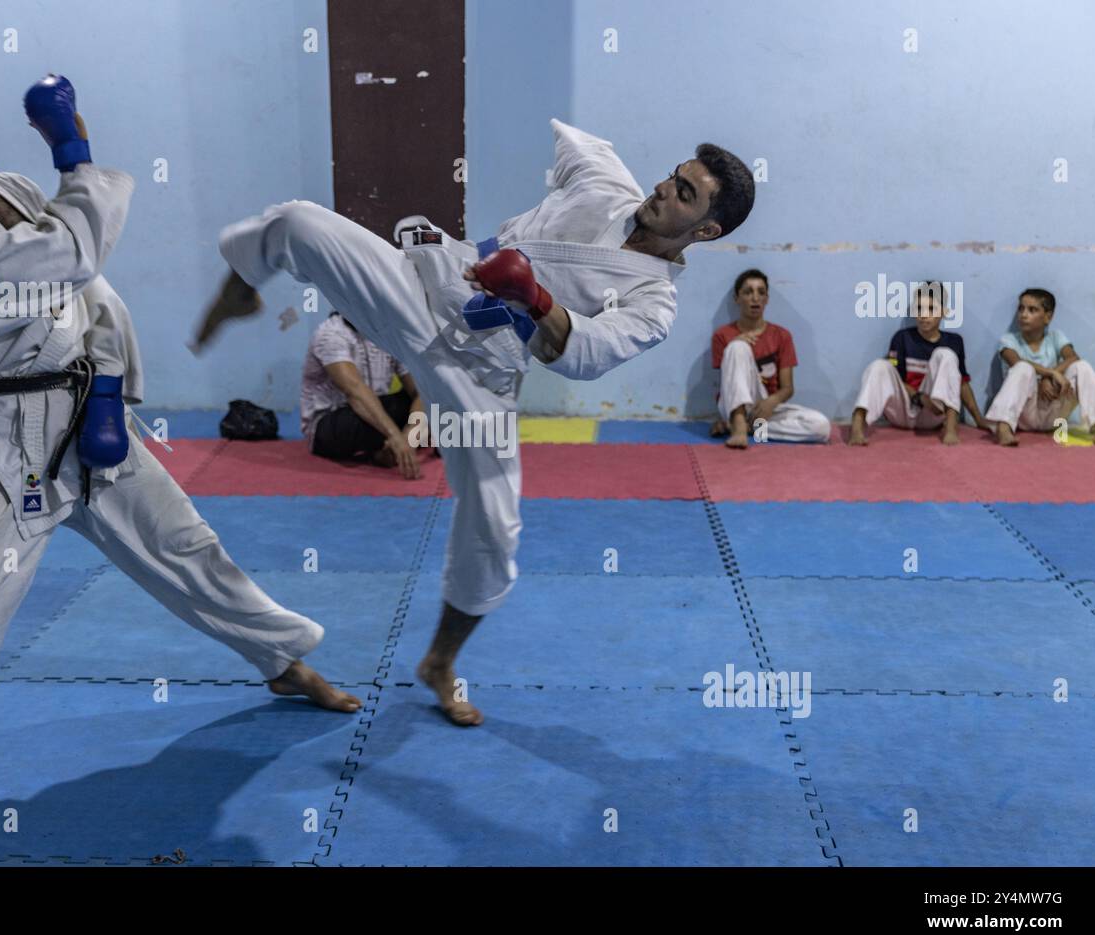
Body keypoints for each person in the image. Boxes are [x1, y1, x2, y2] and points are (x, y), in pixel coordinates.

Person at [0, 73, 358, 806]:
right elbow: (72, 255)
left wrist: (110, 385)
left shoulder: (12, 189)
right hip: (4, 447)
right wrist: (75, 154)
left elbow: (89, 289)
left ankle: (279, 657)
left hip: (86, 413)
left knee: (187, 548)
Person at [200, 120, 754, 725]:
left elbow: (591, 351)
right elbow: (581, 141)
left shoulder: (654, 303)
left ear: (705, 230)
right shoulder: (604, 185)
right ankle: (241, 287)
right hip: (420, 292)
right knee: (299, 221)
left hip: (480, 374)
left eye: (684, 194)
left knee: (493, 526)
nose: (662, 190)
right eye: (673, 177)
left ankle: (440, 661)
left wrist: (537, 297)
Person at [849, 280, 988, 445]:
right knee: (880, 366)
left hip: (934, 413)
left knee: (946, 354)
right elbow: (894, 379)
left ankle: (951, 428)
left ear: (944, 311)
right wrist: (919, 398)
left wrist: (978, 418)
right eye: (919, 308)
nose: (923, 315)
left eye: (931, 309)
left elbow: (962, 384)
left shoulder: (954, 342)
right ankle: (857, 426)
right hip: (903, 411)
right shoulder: (901, 338)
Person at [709, 269, 830, 447]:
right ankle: (738, 423)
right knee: (737, 347)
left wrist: (771, 402)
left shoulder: (781, 336)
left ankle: (749, 428)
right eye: (748, 292)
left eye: (761, 292)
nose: (755, 298)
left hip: (765, 406)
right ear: (737, 298)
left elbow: (788, 388)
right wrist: (734, 344)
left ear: (767, 299)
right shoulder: (722, 335)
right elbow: (728, 384)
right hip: (733, 404)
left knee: (821, 427)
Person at [301, 310, 427, 477]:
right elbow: (355, 392)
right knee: (375, 414)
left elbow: (421, 391)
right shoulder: (330, 335)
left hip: (376, 413)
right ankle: (391, 446)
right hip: (330, 424)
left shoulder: (388, 334)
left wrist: (412, 434)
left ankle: (387, 450)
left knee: (431, 398)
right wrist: (396, 436)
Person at [985, 288, 1095, 446]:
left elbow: (1073, 357)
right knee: (1023, 368)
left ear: (1048, 317)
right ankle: (1003, 428)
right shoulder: (1008, 340)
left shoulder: (1055, 337)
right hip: (1025, 416)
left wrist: (1047, 377)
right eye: (1021, 308)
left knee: (1081, 366)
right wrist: (1050, 374)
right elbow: (1016, 361)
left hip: (1053, 414)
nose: (1024, 314)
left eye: (1032, 310)